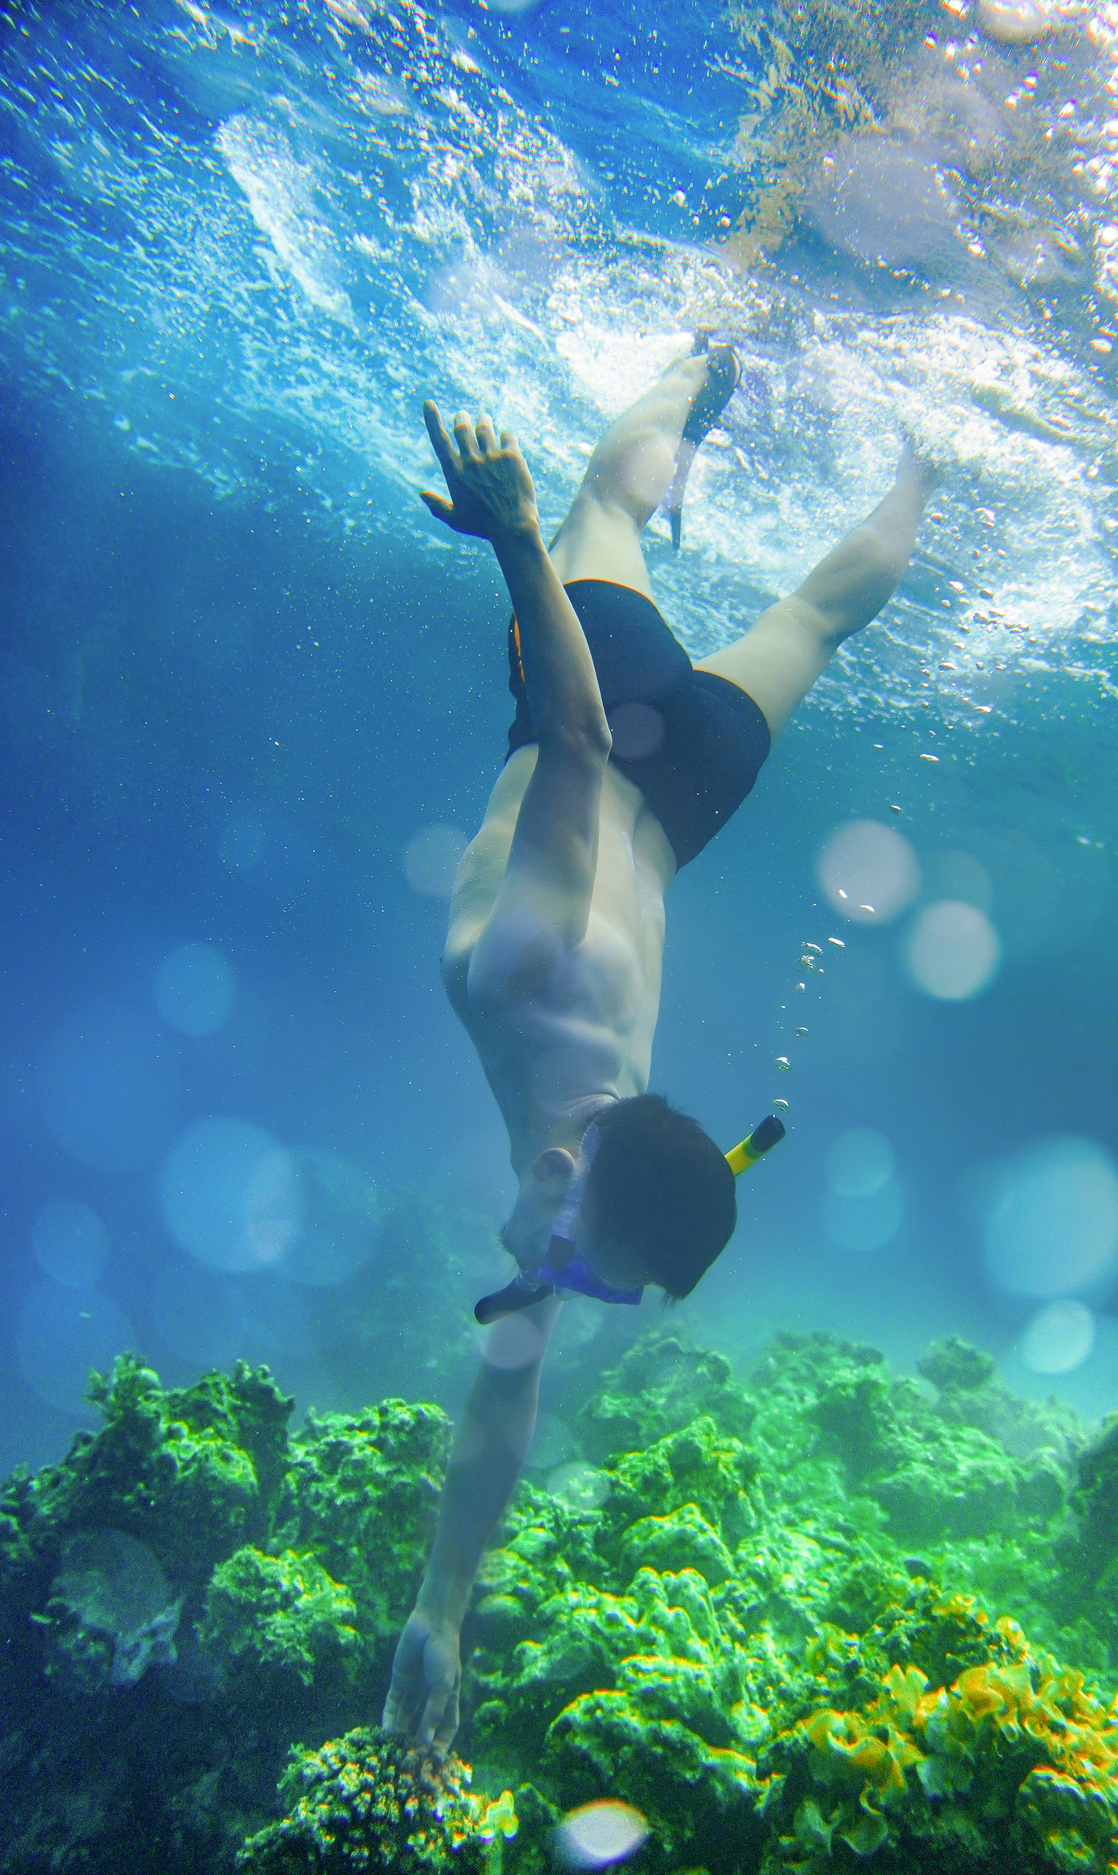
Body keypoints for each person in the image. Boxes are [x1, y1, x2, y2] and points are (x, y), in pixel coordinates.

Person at [383, 340, 937, 1752]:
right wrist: (516, 542)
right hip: (608, 719)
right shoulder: (522, 981)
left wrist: (441, 1610)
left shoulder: (605, 1173)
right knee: (600, 505)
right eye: (580, 1277)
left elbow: (503, 1404)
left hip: (694, 796)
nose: (554, 1286)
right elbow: (573, 743)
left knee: (815, 620)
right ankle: (703, 366)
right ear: (564, 1180)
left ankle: (928, 465)